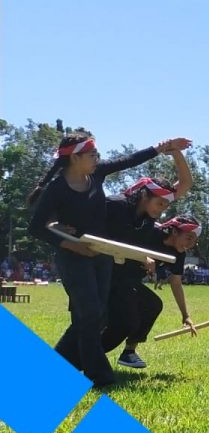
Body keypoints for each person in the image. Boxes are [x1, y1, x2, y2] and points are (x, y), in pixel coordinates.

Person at [27, 133, 191, 387]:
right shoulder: (57, 188)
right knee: (90, 313)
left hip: (101, 256)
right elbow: (36, 227)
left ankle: (56, 369)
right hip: (73, 256)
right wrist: (72, 244)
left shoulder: (98, 174)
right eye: (92, 155)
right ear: (75, 157)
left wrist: (161, 148)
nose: (97, 159)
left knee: (95, 316)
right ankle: (100, 376)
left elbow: (129, 160)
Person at [100, 150, 194, 369]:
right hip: (99, 273)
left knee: (142, 311)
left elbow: (186, 183)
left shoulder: (146, 221)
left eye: (165, 207)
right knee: (115, 320)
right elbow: (95, 234)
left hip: (123, 279)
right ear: (144, 195)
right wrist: (143, 256)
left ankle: (102, 354)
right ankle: (85, 356)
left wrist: (177, 153)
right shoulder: (117, 206)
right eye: (159, 204)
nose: (162, 211)